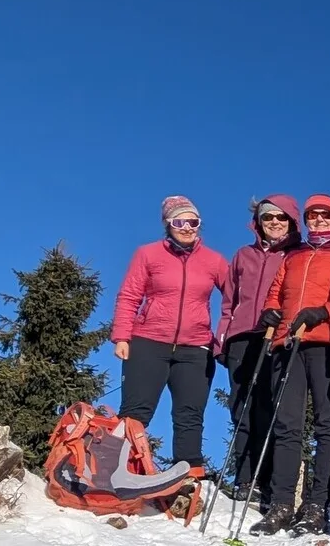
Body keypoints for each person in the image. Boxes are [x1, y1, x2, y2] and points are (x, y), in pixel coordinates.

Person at [246, 194, 330, 536]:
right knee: (287, 424)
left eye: (326, 216)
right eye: (313, 216)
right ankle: (281, 503)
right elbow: (276, 292)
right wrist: (270, 312)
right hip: (287, 342)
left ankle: (316, 504)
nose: (319, 221)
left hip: (328, 343)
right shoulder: (294, 255)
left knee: (326, 423)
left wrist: (324, 312)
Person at [111, 195, 233, 475]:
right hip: (148, 342)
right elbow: (129, 296)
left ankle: (189, 476)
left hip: (196, 348)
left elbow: (237, 297)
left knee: (190, 414)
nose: (187, 227)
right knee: (136, 412)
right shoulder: (148, 254)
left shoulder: (214, 261)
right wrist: (121, 336)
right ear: (168, 223)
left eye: (193, 221)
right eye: (180, 221)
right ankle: (120, 471)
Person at [216, 194, 303, 499]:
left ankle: (268, 482)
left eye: (282, 218)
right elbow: (229, 302)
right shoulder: (243, 255)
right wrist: (222, 340)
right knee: (241, 408)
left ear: (292, 222)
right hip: (242, 336)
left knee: (272, 408)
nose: (275, 223)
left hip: (277, 336)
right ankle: (244, 479)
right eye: (268, 218)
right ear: (259, 222)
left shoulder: (298, 254)